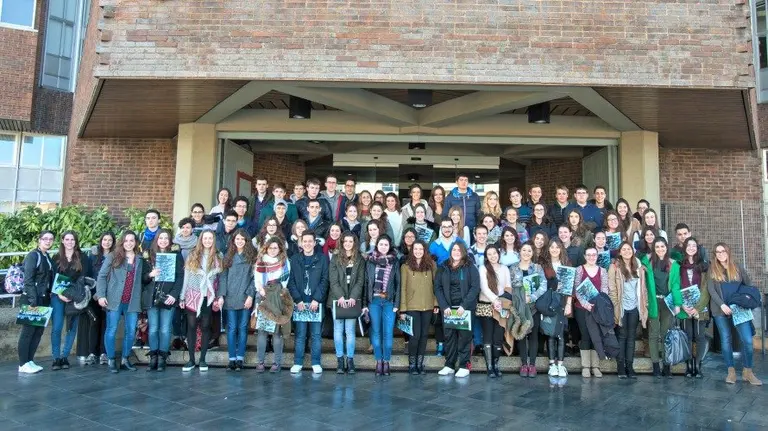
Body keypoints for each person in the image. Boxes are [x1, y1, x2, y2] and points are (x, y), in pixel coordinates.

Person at [97, 230, 153, 373]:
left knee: (130, 331)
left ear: (135, 243)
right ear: (122, 242)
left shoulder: (140, 259)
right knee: (111, 330)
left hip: (132, 301)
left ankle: (125, 359)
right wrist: (101, 295)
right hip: (114, 299)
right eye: (126, 240)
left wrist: (150, 275)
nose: (129, 243)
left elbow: (143, 279)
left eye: (132, 240)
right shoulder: (113, 256)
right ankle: (111, 359)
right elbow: (102, 276)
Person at [708, 242, 761, 385]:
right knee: (726, 340)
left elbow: (748, 286)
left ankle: (748, 371)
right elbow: (711, 290)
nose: (720, 254)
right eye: (718, 252)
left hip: (740, 310)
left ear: (728, 252)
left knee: (747, 341)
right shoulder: (712, 269)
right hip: (720, 310)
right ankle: (731, 372)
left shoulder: (737, 268)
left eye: (723, 251)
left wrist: (744, 300)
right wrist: (722, 305)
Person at [178, 230, 223, 373]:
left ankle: (202, 359)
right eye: (205, 238)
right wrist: (182, 296)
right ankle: (191, 359)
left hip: (208, 296)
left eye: (210, 238)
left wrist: (219, 296)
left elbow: (220, 279)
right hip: (192, 294)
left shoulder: (218, 256)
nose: (208, 241)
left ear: (213, 240)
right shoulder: (193, 255)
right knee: (191, 326)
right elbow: (186, 276)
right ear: (201, 239)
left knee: (205, 326)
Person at [434, 242, 481, 378]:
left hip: (464, 309)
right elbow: (437, 288)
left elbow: (475, 287)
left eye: (459, 250)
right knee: (449, 337)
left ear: (463, 252)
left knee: (464, 338)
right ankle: (449, 364)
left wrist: (464, 305)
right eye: (454, 249)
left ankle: (464, 365)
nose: (456, 252)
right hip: (448, 309)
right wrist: (444, 306)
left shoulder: (470, 267)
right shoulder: (443, 267)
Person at [288, 230, 329, 374]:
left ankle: (316, 362)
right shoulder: (294, 259)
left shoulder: (322, 259)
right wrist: (297, 299)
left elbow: (325, 280)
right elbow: (291, 281)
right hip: (300, 302)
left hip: (315, 303)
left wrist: (317, 299)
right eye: (304, 241)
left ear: (314, 242)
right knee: (300, 334)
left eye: (310, 241)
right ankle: (298, 362)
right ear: (301, 243)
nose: (307, 244)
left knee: (316, 335)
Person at [641, 237, 682, 379]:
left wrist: (677, 304)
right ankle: (655, 366)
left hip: (667, 303)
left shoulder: (673, 265)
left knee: (666, 335)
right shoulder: (648, 263)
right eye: (657, 247)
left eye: (662, 246)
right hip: (653, 302)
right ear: (654, 248)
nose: (660, 249)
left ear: (666, 248)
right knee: (653, 334)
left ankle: (666, 365)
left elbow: (676, 285)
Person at [144, 229, 183, 372]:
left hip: (169, 297)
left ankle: (162, 357)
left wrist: (174, 295)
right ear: (156, 239)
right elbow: (143, 278)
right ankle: (153, 356)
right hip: (152, 297)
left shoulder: (176, 255)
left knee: (165, 329)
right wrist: (150, 274)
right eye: (161, 238)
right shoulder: (149, 256)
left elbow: (180, 277)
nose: (163, 240)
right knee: (153, 328)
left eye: (166, 238)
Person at [216, 229, 255, 372]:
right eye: (237, 239)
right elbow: (223, 277)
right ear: (233, 241)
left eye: (242, 239)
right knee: (231, 328)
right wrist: (221, 295)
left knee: (243, 328)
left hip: (245, 297)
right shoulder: (228, 256)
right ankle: (232, 359)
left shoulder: (252, 256)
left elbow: (254, 279)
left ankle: (240, 358)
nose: (239, 241)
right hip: (230, 297)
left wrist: (251, 295)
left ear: (246, 241)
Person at [17, 231, 56, 374]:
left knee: (37, 332)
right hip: (32, 299)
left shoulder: (46, 256)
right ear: (39, 240)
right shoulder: (33, 255)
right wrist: (33, 300)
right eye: (45, 239)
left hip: (43, 299)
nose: (48, 241)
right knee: (28, 332)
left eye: (51, 239)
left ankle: (29, 361)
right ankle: (22, 364)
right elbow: (28, 279)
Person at [607, 241, 647, 379]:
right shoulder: (615, 267)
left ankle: (629, 366)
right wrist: (616, 306)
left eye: (629, 249)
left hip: (635, 307)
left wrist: (644, 304)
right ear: (620, 252)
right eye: (623, 249)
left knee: (631, 338)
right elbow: (611, 289)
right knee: (622, 337)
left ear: (633, 251)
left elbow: (643, 288)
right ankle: (620, 367)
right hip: (622, 307)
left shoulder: (639, 266)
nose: (626, 252)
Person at [568, 245, 609, 378]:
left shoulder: (602, 271)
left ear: (597, 256)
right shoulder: (579, 269)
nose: (591, 257)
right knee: (585, 335)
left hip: (597, 309)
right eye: (589, 255)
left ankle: (595, 366)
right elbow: (577, 288)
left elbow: (604, 290)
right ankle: (585, 366)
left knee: (596, 336)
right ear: (585, 257)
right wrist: (586, 304)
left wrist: (598, 305)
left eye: (594, 255)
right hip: (582, 308)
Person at [254, 237, 293, 373]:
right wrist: (261, 289)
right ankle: (260, 362)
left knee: (277, 332)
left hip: (277, 296)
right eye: (270, 247)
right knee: (262, 331)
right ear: (266, 248)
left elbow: (285, 280)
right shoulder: (260, 262)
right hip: (263, 296)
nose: (273, 250)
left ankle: (277, 363)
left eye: (276, 248)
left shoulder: (284, 261)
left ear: (280, 249)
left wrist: (277, 291)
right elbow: (257, 279)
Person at [363, 235, 400, 376]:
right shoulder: (370, 261)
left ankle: (386, 361)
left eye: (386, 244)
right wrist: (365, 303)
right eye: (381, 244)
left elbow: (398, 283)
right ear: (377, 245)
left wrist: (397, 303)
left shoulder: (394, 262)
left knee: (388, 332)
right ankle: (379, 361)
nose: (383, 246)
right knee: (376, 331)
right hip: (374, 302)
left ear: (389, 246)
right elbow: (366, 283)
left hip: (389, 301)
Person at [50, 231, 88, 371]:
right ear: (62, 241)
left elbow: (84, 278)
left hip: (75, 297)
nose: (70, 242)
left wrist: (73, 295)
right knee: (57, 327)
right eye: (67, 239)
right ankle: (56, 358)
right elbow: (52, 278)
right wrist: (60, 293)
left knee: (72, 328)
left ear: (76, 241)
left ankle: (65, 356)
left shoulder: (82, 257)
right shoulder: (56, 258)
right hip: (58, 296)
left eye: (72, 239)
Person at [329, 232, 365, 374]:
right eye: (346, 241)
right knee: (338, 331)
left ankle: (350, 360)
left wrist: (352, 297)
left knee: (350, 331)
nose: (348, 243)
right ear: (342, 242)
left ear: (354, 243)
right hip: (338, 300)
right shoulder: (335, 258)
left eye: (351, 241)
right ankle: (340, 360)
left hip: (352, 301)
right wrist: (341, 297)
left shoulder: (359, 259)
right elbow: (333, 280)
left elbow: (360, 280)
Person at [399, 240, 436, 375]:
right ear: (412, 250)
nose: (418, 251)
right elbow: (402, 288)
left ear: (424, 250)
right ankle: (412, 363)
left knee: (424, 335)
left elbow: (436, 285)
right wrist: (402, 308)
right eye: (416, 249)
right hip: (411, 306)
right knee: (415, 336)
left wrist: (436, 304)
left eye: (421, 249)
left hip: (428, 305)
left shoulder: (431, 265)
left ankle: (420, 363)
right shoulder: (406, 266)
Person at [510, 242, 547, 377]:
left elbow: (543, 285)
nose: (526, 253)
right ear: (520, 251)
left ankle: (532, 364)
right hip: (519, 306)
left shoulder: (537, 268)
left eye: (529, 251)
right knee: (521, 334)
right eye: (524, 250)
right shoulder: (513, 268)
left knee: (533, 335)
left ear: (533, 253)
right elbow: (509, 286)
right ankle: (524, 364)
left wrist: (531, 297)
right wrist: (519, 295)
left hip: (533, 306)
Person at [78, 231, 115, 366]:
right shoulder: (93, 256)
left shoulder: (116, 256)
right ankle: (93, 352)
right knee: (94, 321)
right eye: (104, 239)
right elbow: (87, 275)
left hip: (110, 295)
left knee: (107, 323)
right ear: (101, 241)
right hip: (94, 295)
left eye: (110, 240)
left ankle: (104, 353)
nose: (107, 242)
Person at [678, 237, 710, 379]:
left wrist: (697, 307)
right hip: (685, 306)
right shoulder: (679, 266)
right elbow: (676, 286)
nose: (691, 247)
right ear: (684, 247)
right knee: (687, 336)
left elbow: (705, 289)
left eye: (694, 245)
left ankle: (698, 364)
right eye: (688, 245)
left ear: (697, 248)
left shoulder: (704, 266)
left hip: (700, 307)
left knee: (700, 336)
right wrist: (682, 305)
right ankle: (689, 365)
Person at [478, 245, 511, 378]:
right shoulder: (483, 268)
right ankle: (490, 367)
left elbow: (508, 286)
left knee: (498, 335)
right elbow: (484, 288)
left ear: (498, 254)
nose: (493, 256)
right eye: (489, 254)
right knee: (488, 335)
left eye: (494, 253)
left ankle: (496, 364)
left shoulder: (504, 268)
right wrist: (495, 300)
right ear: (486, 256)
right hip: (486, 305)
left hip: (502, 306)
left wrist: (503, 302)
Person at [541, 239, 570, 378]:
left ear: (561, 249)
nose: (554, 249)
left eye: (557, 247)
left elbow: (571, 286)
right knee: (550, 332)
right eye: (551, 247)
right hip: (549, 302)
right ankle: (552, 364)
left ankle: (561, 365)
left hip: (563, 302)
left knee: (561, 334)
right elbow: (541, 283)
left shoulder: (567, 263)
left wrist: (569, 303)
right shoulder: (543, 264)